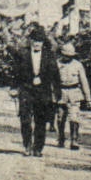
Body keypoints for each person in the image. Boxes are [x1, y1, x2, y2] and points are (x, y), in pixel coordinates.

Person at [12, 22, 62, 156]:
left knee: (41, 121)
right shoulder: (23, 54)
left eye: (39, 41)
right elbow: (15, 72)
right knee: (25, 119)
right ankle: (27, 145)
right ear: (31, 41)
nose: (37, 44)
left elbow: (55, 74)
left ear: (43, 42)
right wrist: (13, 88)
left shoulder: (49, 55)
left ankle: (38, 148)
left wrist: (58, 92)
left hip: (43, 91)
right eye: (34, 41)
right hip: (26, 90)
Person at [53, 41, 91, 149]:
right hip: (61, 93)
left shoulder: (78, 65)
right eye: (66, 56)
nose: (68, 58)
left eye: (70, 56)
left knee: (74, 117)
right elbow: (52, 81)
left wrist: (88, 98)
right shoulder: (57, 64)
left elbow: (84, 82)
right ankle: (61, 138)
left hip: (74, 93)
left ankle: (74, 140)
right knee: (60, 118)